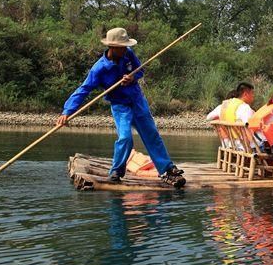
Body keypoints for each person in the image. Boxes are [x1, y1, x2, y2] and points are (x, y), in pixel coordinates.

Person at [56, 27, 185, 187]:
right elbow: (83, 89)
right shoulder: (99, 69)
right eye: (122, 47)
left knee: (151, 134)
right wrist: (67, 111)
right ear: (112, 47)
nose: (125, 49)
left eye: (125, 46)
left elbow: (140, 70)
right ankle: (116, 171)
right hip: (120, 105)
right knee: (125, 138)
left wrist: (132, 78)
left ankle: (167, 169)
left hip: (137, 100)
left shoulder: (128, 54)